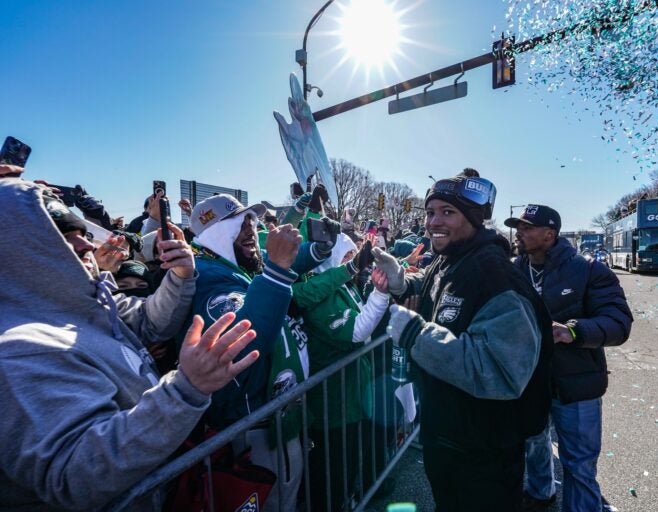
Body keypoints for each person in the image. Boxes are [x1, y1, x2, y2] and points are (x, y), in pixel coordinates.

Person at [0, 179, 260, 510]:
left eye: (82, 233)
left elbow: (150, 323)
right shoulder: (19, 349)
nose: (86, 245)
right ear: (19, 252)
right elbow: (79, 475)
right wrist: (185, 390)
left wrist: (180, 276)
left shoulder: (89, 302)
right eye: (63, 238)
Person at [380, 169, 553, 511]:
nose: (433, 222)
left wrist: (416, 334)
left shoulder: (494, 273)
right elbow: (437, 297)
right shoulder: (448, 260)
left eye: (448, 212)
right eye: (430, 212)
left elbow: (501, 371)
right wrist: (402, 283)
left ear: (474, 219)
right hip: (448, 437)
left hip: (484, 451)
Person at [187, 193, 332, 512]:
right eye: (240, 224)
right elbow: (242, 344)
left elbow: (277, 260)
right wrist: (278, 270)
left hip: (270, 418)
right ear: (217, 235)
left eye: (251, 221)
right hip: (254, 429)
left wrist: (319, 249)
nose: (251, 229)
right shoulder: (214, 280)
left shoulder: (234, 265)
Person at [506, 204, 633, 512]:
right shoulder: (511, 269)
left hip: (576, 386)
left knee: (578, 463)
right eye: (517, 227)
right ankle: (540, 493)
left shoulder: (588, 269)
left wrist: (573, 331)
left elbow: (619, 323)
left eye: (526, 228)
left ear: (549, 234)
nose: (519, 233)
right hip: (528, 384)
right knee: (533, 446)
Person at [291, 235, 390, 512]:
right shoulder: (320, 294)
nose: (352, 263)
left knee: (345, 462)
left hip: (350, 393)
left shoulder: (340, 286)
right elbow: (356, 332)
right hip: (333, 399)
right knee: (333, 467)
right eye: (346, 257)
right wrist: (381, 294)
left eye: (353, 257)